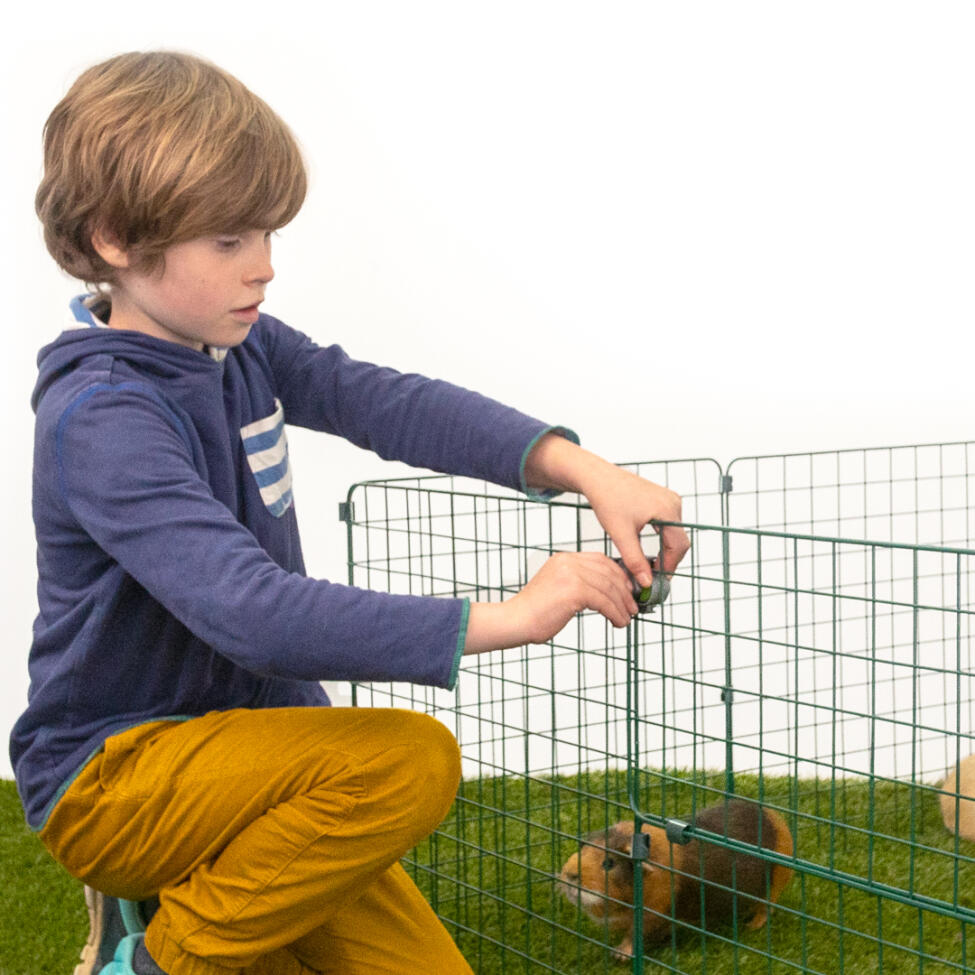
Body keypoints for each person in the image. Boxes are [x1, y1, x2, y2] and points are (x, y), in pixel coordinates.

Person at [10, 51, 690, 975]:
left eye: (266, 235)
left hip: (257, 765)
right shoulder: (102, 415)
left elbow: (381, 400)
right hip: (118, 775)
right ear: (116, 241)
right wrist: (511, 616)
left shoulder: (234, 344)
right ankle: (152, 960)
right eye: (228, 242)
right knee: (407, 758)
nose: (264, 268)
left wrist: (575, 466)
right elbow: (250, 611)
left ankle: (187, 902)